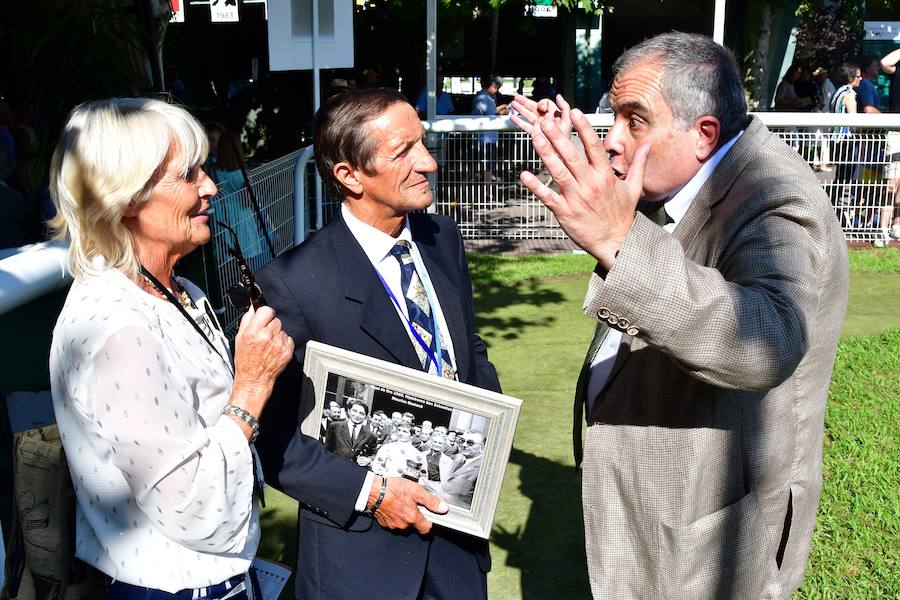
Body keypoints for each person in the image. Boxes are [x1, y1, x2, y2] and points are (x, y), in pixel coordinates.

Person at [511, 32, 848, 599]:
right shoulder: (697, 171)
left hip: (711, 533)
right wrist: (572, 147)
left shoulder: (776, 199)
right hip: (660, 502)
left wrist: (619, 239)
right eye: (610, 117)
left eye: (634, 120)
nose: (613, 140)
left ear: (704, 134)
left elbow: (767, 340)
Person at [255, 88, 502, 600]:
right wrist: (372, 495)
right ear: (349, 175)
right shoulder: (294, 283)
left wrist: (487, 436)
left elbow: (468, 349)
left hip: (457, 552)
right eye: (403, 152)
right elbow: (274, 438)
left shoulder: (442, 238)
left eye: (423, 144)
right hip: (361, 566)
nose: (428, 163)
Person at [46, 98, 294, 598]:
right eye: (187, 175)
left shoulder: (175, 289)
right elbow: (195, 509)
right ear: (126, 198)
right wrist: (251, 385)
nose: (210, 186)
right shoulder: (117, 330)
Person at [830, 63, 862, 212]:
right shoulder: (849, 94)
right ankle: (836, 207)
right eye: (858, 76)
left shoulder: (838, 92)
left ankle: (833, 204)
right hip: (846, 140)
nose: (860, 79)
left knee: (840, 174)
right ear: (850, 78)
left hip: (836, 139)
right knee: (846, 175)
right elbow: (853, 120)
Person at [878, 48, 900, 243]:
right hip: (896, 130)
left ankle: (897, 225)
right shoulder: (896, 65)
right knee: (891, 183)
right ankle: (882, 228)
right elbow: (885, 63)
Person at [472, 74, 509, 182]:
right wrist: (502, 112)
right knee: (486, 162)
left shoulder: (485, 97)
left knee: (480, 161)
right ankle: (487, 189)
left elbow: (490, 112)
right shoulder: (484, 98)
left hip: (485, 136)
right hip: (484, 137)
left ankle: (482, 186)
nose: (497, 90)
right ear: (492, 85)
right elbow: (490, 116)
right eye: (497, 88)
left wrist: (501, 108)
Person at [439, 431, 484, 510]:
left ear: (481, 448)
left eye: (470, 443)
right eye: (462, 441)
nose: (464, 445)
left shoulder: (483, 467)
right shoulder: (458, 459)